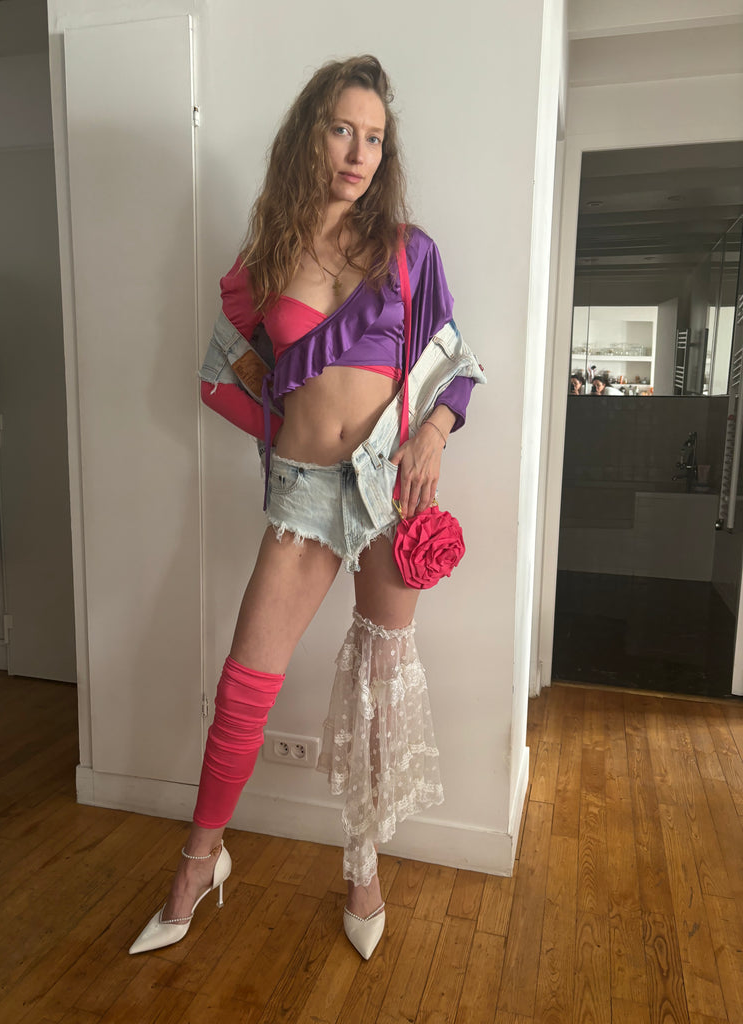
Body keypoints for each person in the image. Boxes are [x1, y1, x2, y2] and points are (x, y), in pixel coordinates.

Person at [129, 55, 484, 961]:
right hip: (305, 492)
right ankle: (198, 862)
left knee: (375, 686)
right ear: (309, 135)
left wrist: (435, 434)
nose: (359, 152)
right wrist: (282, 431)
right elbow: (222, 376)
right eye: (342, 130)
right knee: (245, 689)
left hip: (391, 488)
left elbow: (455, 368)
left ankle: (362, 865)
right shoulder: (265, 261)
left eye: (375, 137)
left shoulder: (410, 253)